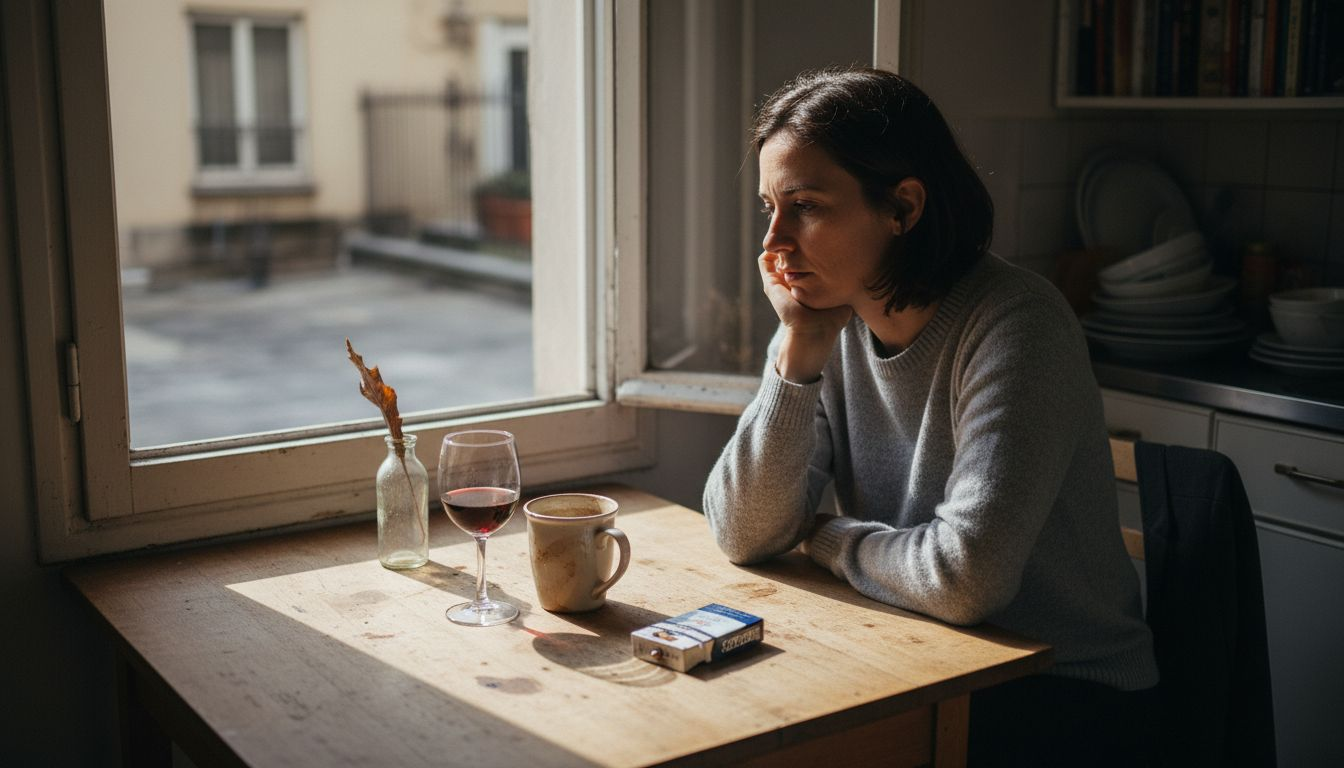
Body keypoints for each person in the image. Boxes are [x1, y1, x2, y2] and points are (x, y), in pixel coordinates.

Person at [702, 67, 1160, 766]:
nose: (774, 243)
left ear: (904, 208)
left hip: (1062, 693)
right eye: (769, 207)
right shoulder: (828, 315)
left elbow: (965, 579)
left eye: (806, 206)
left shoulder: (1017, 325)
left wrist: (823, 537)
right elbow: (742, 530)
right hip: (918, 655)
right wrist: (799, 348)